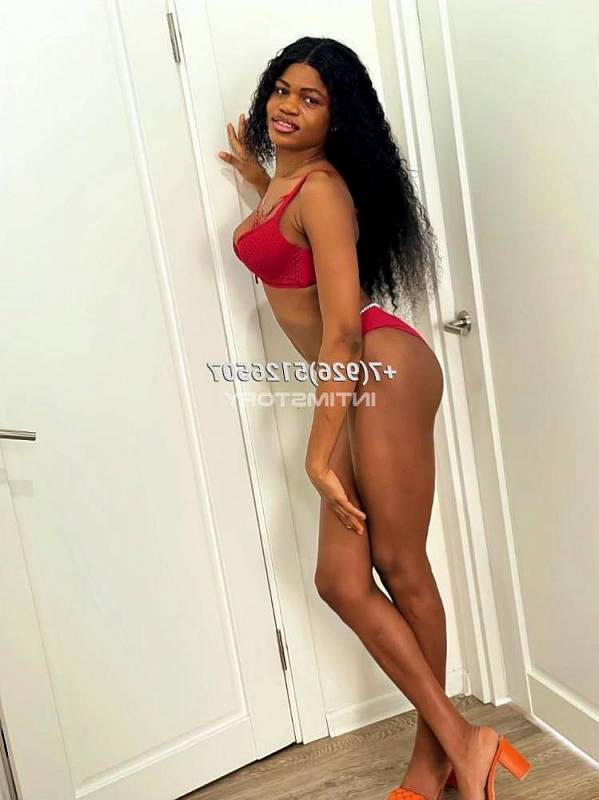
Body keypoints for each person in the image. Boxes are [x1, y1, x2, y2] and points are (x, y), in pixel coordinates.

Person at [218, 36, 531, 800]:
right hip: (355, 378)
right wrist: (259, 178)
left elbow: (343, 334)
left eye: (311, 99)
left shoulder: (322, 190)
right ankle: (463, 741)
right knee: (339, 579)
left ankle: (433, 764)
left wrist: (316, 455)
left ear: (338, 117)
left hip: (376, 367)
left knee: (398, 564)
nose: (288, 106)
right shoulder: (291, 182)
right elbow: (289, 255)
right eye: (282, 89)